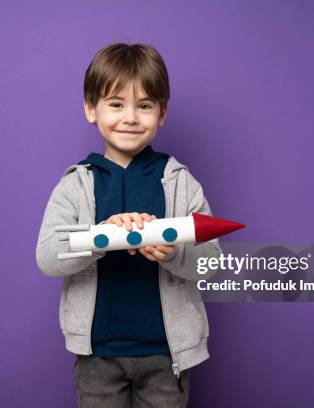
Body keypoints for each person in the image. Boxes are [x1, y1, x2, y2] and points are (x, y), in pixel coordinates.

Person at [36, 43, 221, 408]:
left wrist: (172, 253)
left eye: (145, 105)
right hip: (98, 356)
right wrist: (100, 237)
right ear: (92, 109)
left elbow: (212, 262)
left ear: (162, 113)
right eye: (116, 104)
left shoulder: (181, 182)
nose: (131, 117)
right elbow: (47, 257)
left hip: (168, 355)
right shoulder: (76, 184)